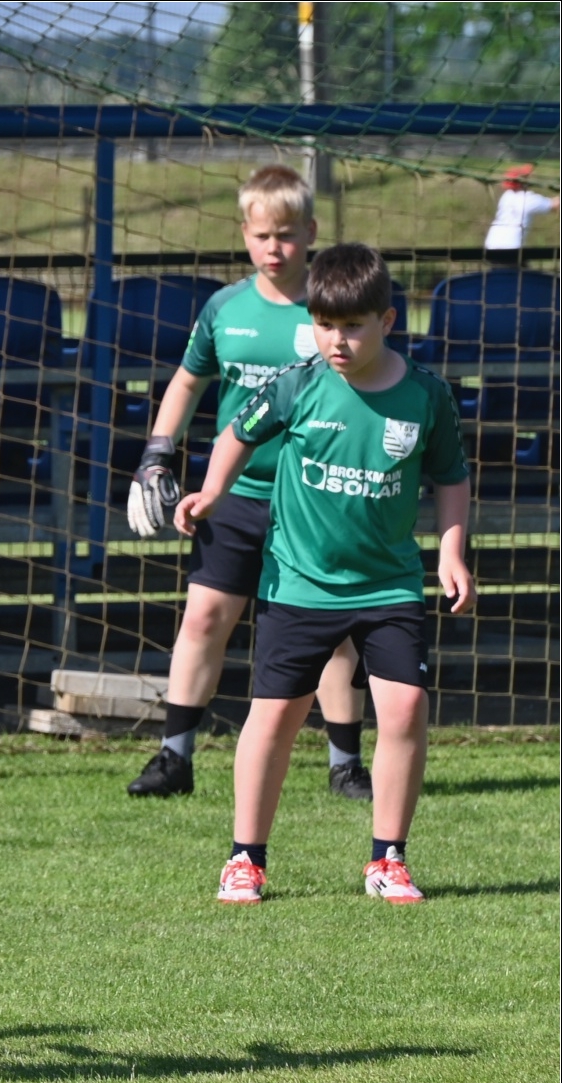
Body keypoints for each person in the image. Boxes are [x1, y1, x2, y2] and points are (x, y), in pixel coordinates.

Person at [175, 243, 473, 906]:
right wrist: (212, 492)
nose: (337, 340)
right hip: (299, 583)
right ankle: (245, 858)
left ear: (387, 321)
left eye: (353, 326)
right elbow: (237, 433)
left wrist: (452, 553)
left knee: (405, 707)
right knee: (276, 716)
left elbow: (452, 477)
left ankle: (388, 858)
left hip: (389, 584)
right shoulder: (297, 383)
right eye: (324, 324)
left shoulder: (426, 395)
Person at [127, 164, 371, 801]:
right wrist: (157, 453)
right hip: (233, 495)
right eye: (262, 235)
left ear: (310, 232)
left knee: (333, 631)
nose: (274, 248)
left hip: (315, 499)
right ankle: (174, 757)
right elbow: (188, 381)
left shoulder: (332, 312)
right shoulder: (225, 308)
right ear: (244, 234)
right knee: (205, 617)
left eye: (287, 235)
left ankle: (346, 764)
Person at [484, 164, 556, 252]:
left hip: (491, 244)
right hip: (512, 248)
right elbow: (554, 205)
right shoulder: (527, 198)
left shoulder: (506, 195)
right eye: (525, 177)